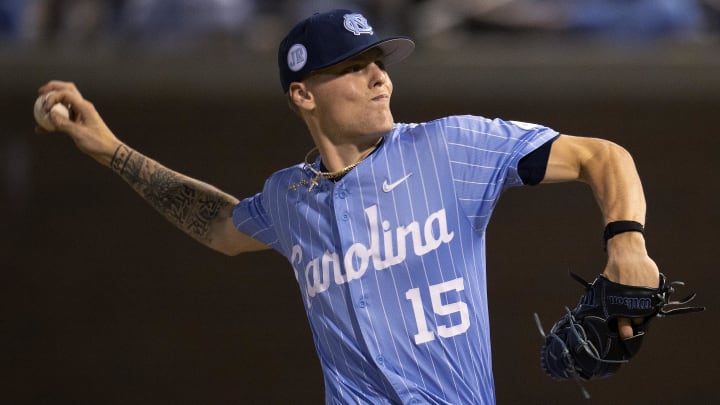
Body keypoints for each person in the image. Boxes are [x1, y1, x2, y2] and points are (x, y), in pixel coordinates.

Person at [37, 9, 660, 405]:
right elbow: (222, 228)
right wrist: (111, 151)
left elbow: (600, 157)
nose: (379, 78)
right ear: (303, 93)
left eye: (379, 64)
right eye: (355, 68)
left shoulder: (450, 147)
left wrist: (626, 239)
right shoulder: (290, 196)